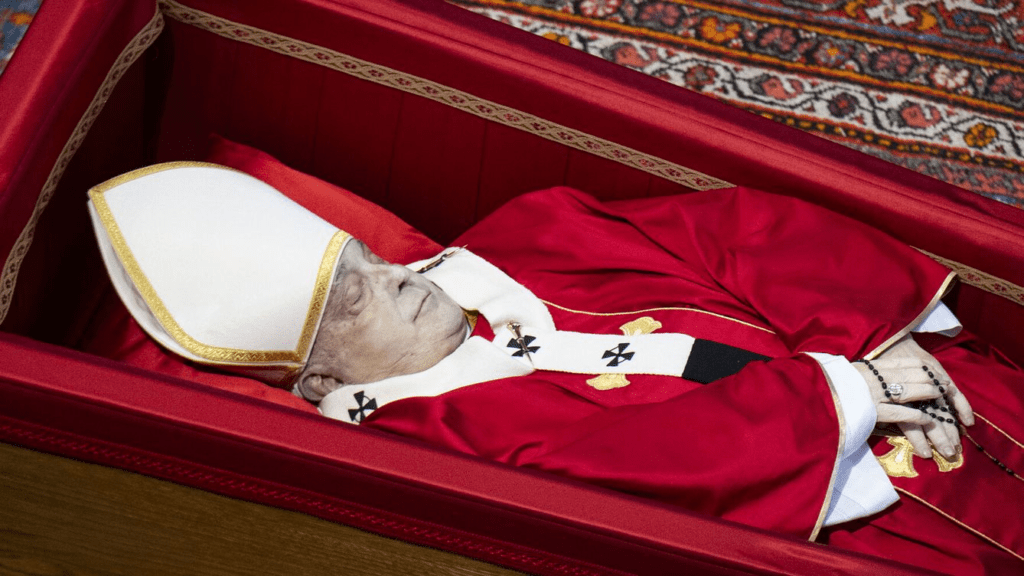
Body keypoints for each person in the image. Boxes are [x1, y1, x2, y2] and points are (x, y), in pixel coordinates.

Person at [90, 163, 1023, 575]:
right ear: (322, 385)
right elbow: (631, 479)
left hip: (953, 391)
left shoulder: (528, 232)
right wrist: (846, 391)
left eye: (367, 258)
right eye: (353, 300)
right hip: (856, 522)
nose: (396, 276)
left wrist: (875, 333)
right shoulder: (430, 449)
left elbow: (730, 228)